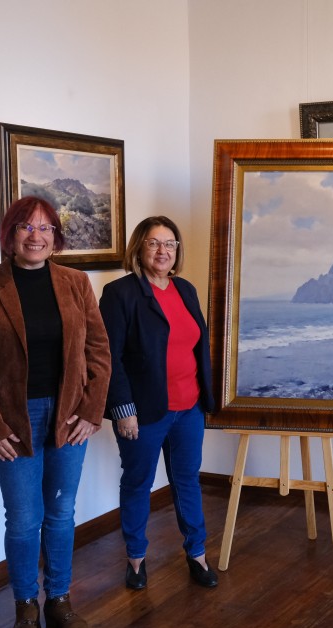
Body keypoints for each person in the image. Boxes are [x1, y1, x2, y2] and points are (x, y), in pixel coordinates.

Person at [0, 196, 111, 628]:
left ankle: (59, 599)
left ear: (56, 238)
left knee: (61, 513)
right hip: (13, 421)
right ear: (10, 235)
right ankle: (26, 605)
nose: (35, 236)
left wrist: (91, 410)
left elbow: (98, 351)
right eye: (25, 227)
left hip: (69, 414)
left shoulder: (76, 283)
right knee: (24, 520)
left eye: (45, 229)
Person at [99, 216, 218, 591]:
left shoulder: (185, 289)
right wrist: (123, 410)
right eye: (154, 243)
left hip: (189, 408)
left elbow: (197, 347)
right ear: (139, 248)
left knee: (187, 482)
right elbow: (108, 358)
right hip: (144, 412)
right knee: (138, 483)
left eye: (170, 244)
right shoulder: (120, 294)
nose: (162, 251)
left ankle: (196, 554)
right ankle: (136, 559)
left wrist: (206, 399)